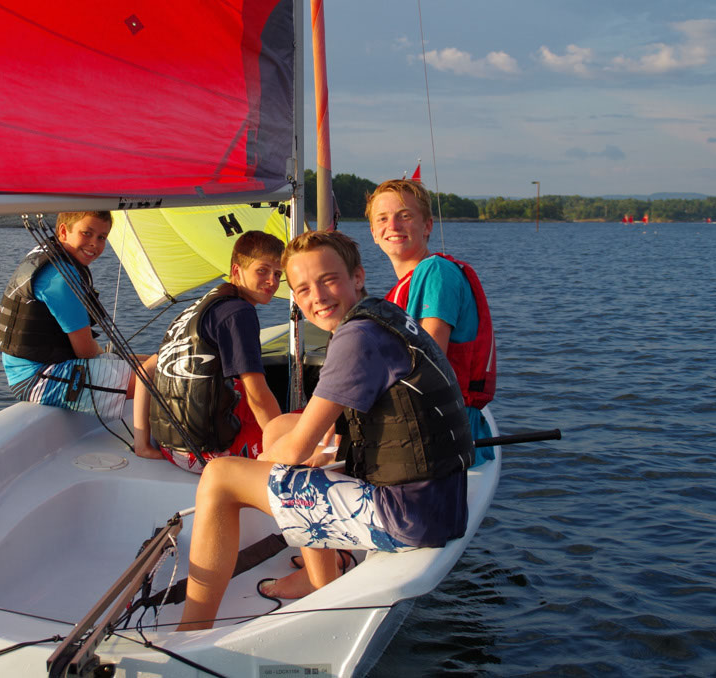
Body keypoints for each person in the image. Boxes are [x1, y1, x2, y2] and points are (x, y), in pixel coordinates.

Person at [176, 230, 472, 631]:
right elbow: (312, 432)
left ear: (357, 277)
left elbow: (295, 452)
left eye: (328, 280)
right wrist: (292, 455)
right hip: (438, 501)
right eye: (302, 289)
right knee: (280, 427)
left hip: (408, 517)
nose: (316, 296)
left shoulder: (357, 337)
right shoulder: (380, 317)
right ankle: (321, 581)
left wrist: (248, 474)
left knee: (219, 477)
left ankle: (192, 629)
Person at [366, 179, 497, 463]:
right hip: (419, 424)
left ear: (427, 226)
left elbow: (429, 364)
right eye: (383, 219)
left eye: (405, 216)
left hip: (443, 432)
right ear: (374, 233)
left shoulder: (436, 272)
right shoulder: (401, 289)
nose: (393, 226)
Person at [132, 230, 285, 471]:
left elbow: (145, 370)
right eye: (262, 271)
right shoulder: (239, 313)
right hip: (205, 455)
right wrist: (284, 447)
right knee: (305, 428)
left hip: (169, 448)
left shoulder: (200, 308)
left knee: (240, 390)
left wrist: (142, 445)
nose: (272, 282)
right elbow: (257, 394)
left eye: (277, 274)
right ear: (237, 271)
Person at [0, 211, 137, 418]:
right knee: (160, 378)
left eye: (102, 237)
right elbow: (85, 351)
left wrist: (111, 357)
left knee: (155, 363)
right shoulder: (60, 279)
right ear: (63, 231)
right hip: (37, 379)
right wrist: (108, 356)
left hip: (50, 366)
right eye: (86, 233)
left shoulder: (48, 255)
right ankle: (145, 438)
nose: (94, 244)